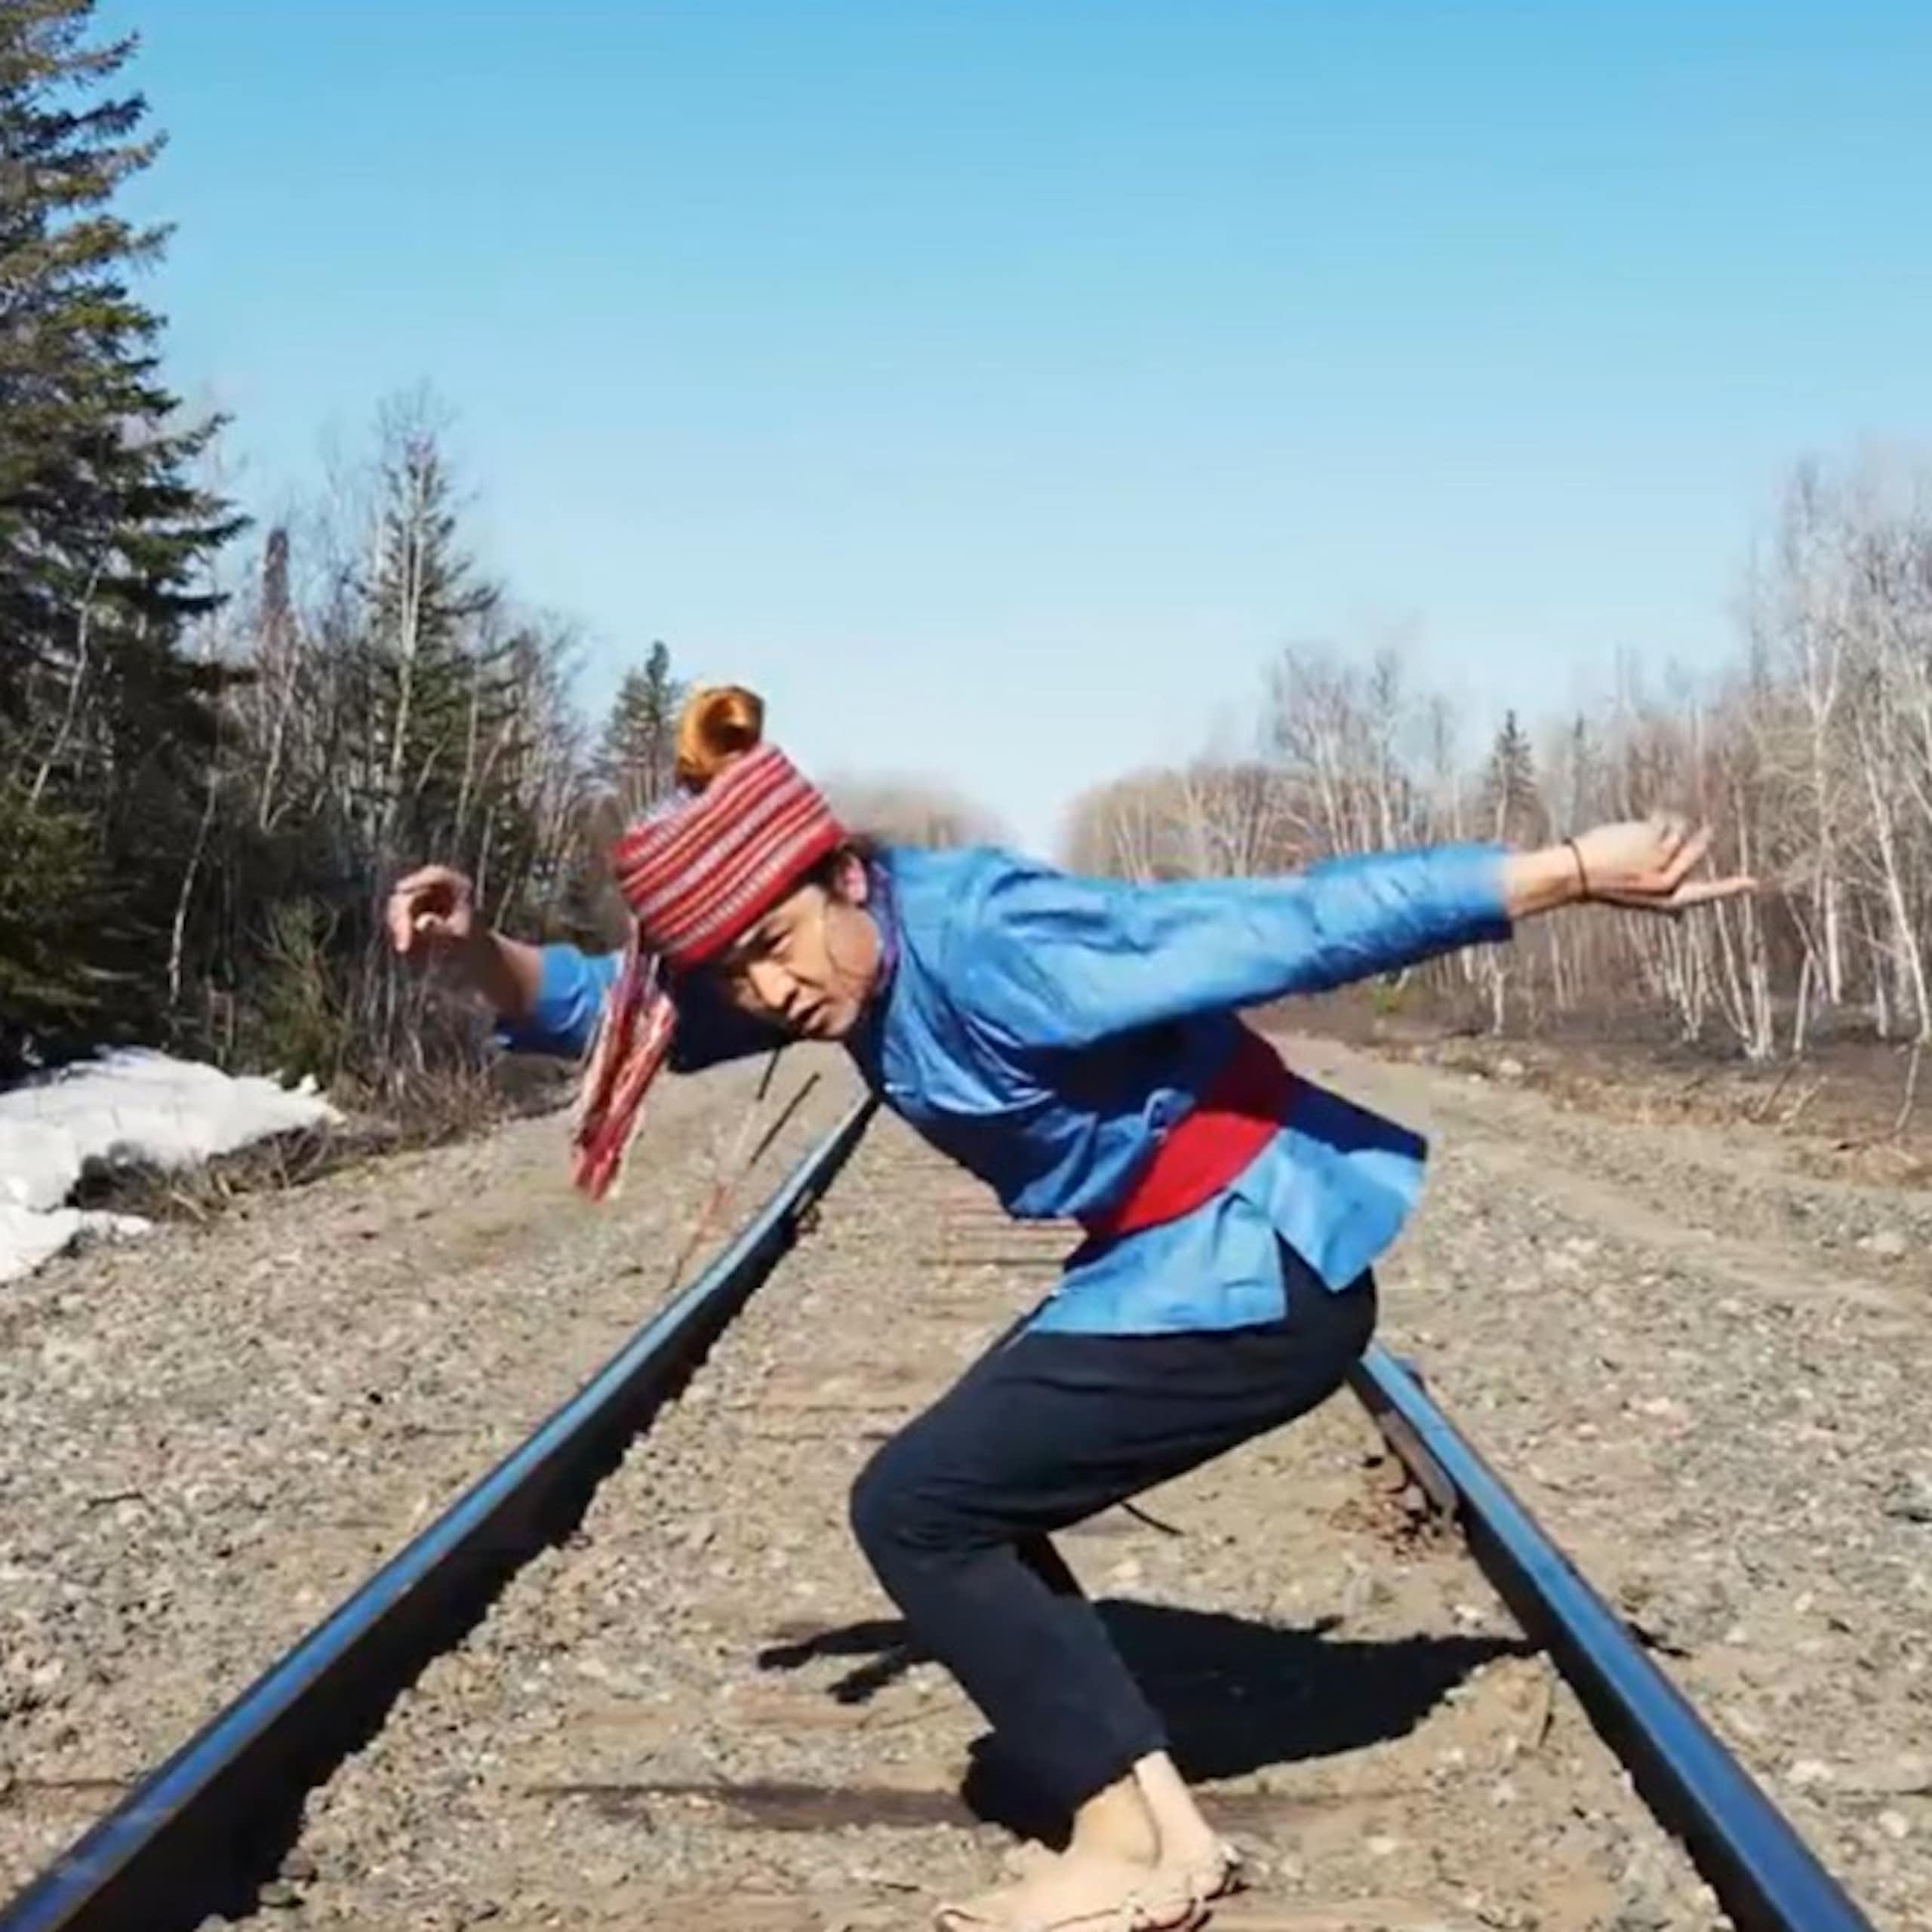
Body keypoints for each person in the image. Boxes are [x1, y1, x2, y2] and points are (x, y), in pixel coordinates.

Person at [387, 685, 1750, 1932]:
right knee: (966, 1495)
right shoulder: (843, 968)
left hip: (1255, 1264)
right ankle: (1168, 1838)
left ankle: (1115, 1843)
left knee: (919, 1507)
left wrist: (1562, 874)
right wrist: (474, 953)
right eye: (741, 971)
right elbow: (616, 1010)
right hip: (1176, 1262)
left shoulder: (990, 940)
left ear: (844, 873)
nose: (773, 989)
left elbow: (1281, 923)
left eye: (778, 948)